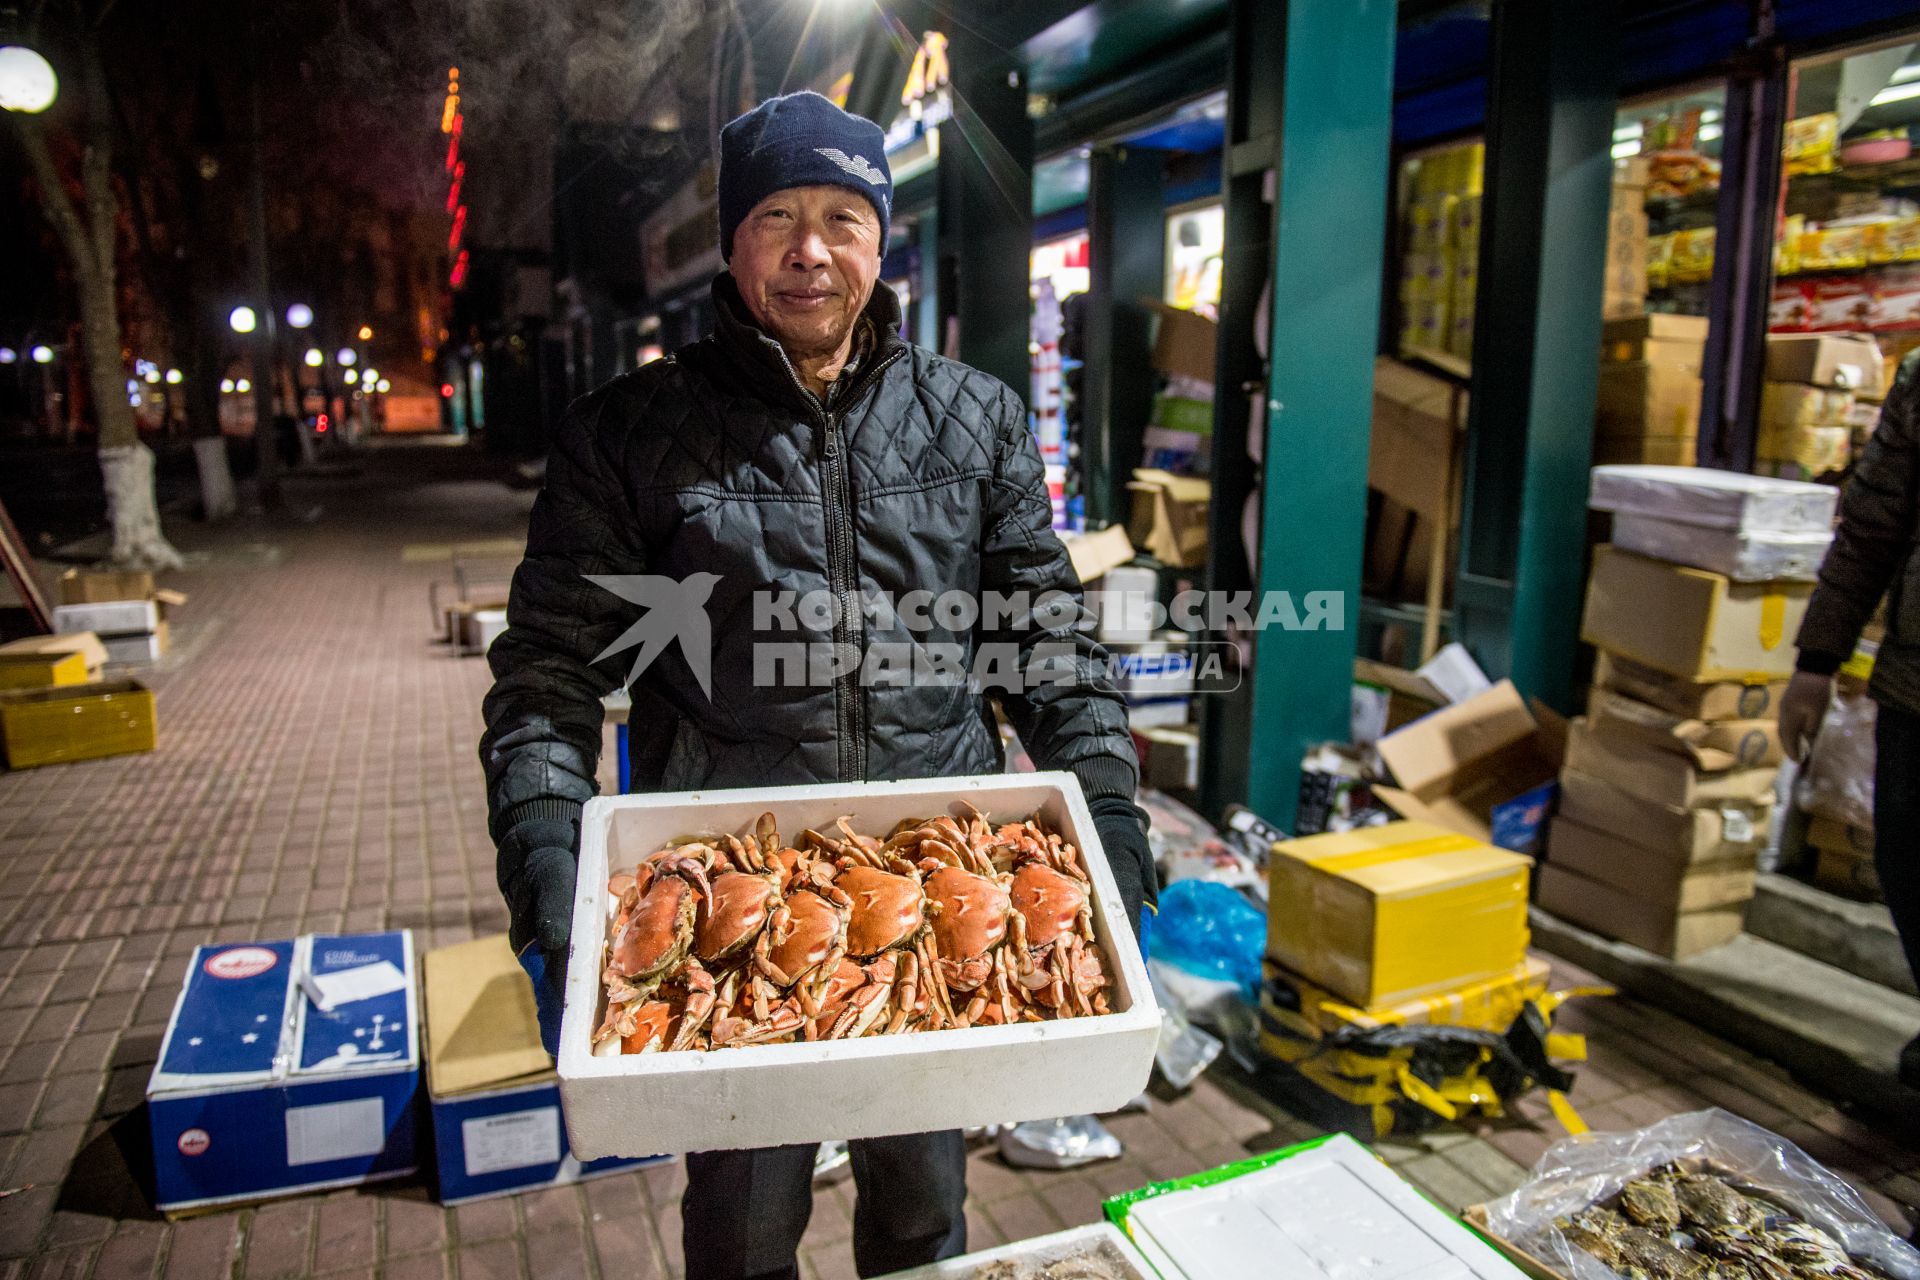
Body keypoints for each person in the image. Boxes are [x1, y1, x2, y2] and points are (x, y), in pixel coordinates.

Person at [479, 91, 1156, 1280]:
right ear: (732, 243)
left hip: (933, 875)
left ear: (881, 237)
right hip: (735, 876)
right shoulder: (627, 432)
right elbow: (545, 675)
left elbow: (1050, 645)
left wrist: (1107, 821)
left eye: (843, 216)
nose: (810, 250)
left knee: (921, 1208)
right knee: (740, 1226)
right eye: (777, 216)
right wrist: (548, 864)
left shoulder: (977, 420)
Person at [1780, 348, 1920, 1090]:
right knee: (1904, 864)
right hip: (1914, 687)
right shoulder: (1919, 380)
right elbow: (1869, 531)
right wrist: (1817, 660)